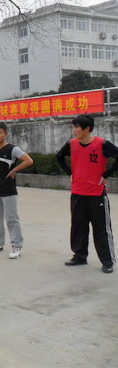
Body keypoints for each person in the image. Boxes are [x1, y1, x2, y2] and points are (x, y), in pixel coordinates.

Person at [56, 114, 118, 273]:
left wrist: (106, 174)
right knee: (78, 226)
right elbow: (59, 157)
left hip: (97, 194)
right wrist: (70, 172)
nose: (74, 130)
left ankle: (107, 261)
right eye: (74, 127)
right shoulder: (71, 144)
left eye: (76, 127)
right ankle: (79, 256)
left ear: (87, 129)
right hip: (78, 192)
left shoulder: (102, 144)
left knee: (101, 229)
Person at [0, 123, 33, 259]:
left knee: (12, 219)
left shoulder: (12, 149)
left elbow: (28, 160)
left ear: (5, 134)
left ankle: (17, 246)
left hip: (8, 190)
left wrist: (14, 170)